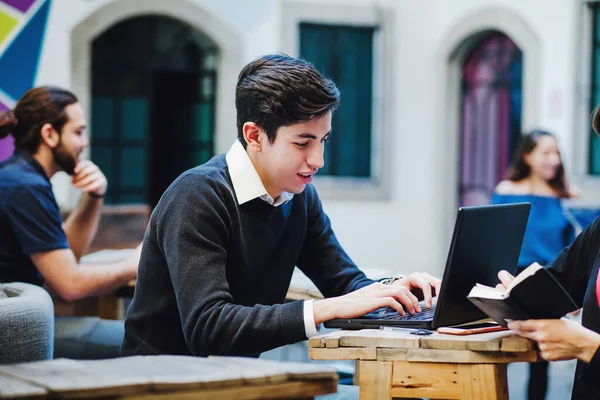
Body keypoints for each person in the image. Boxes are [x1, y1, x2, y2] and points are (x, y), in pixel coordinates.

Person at [121, 54, 441, 359]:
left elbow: (344, 283)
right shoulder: (197, 195)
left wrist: (397, 290)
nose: (318, 160)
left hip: (233, 380)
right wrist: (329, 308)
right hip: (161, 384)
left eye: (323, 140)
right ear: (255, 135)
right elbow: (209, 327)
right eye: (302, 143)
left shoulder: (298, 196)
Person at [0, 86, 140, 359]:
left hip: (19, 324)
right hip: (15, 333)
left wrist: (94, 197)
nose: (85, 142)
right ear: (49, 134)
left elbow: (69, 253)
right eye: (78, 132)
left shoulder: (20, 177)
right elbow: (70, 285)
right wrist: (137, 262)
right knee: (146, 338)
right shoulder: (25, 187)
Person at [494, 111, 600, 400]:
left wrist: (588, 346)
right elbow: (563, 278)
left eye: (556, 152)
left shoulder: (563, 195)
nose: (554, 159)